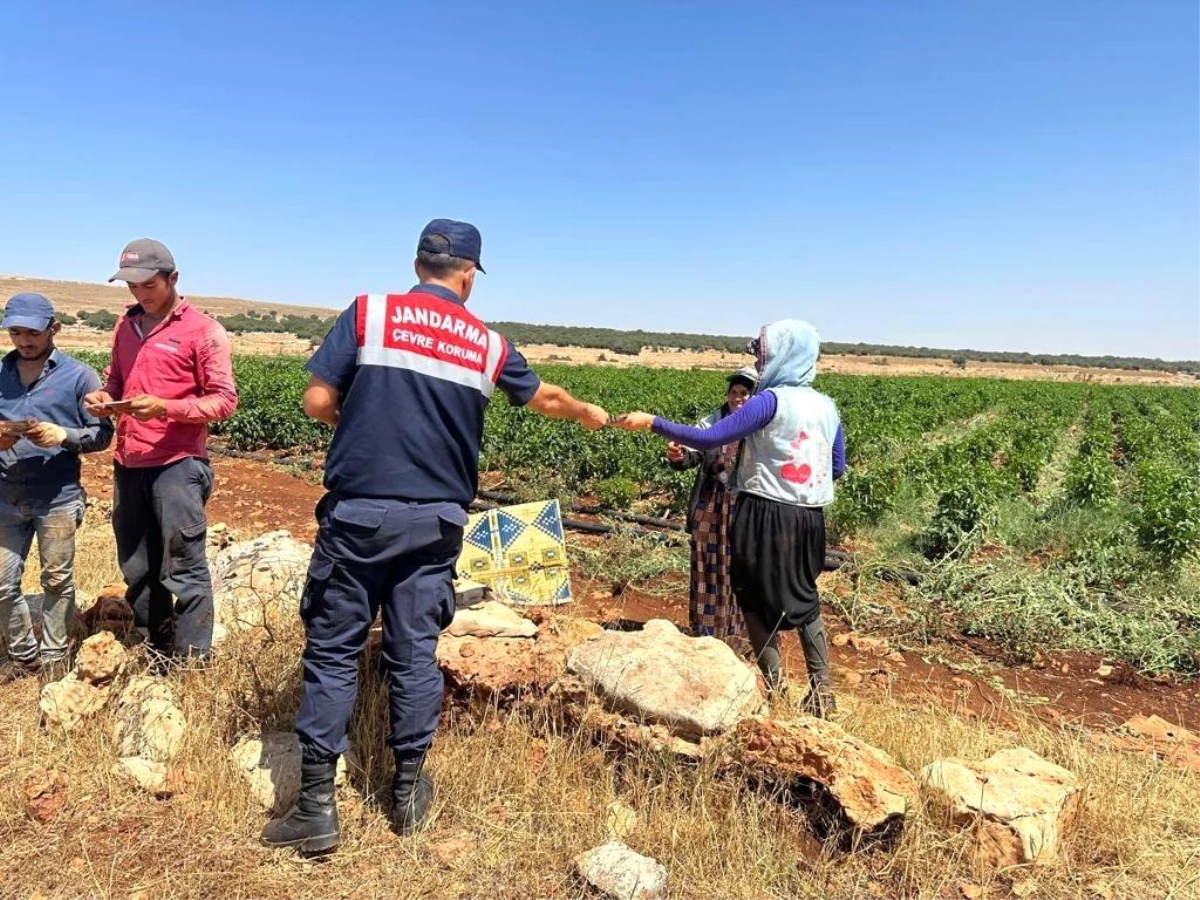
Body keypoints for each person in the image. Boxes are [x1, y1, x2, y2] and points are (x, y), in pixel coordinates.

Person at [261, 219, 610, 854]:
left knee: (335, 650)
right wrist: (589, 413)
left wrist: (357, 420)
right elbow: (547, 398)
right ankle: (409, 793)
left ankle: (315, 807)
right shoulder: (487, 344)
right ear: (469, 274)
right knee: (414, 651)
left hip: (361, 517)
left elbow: (316, 400)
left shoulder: (369, 314)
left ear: (419, 262)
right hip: (437, 523)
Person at [616, 319, 845, 717]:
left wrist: (653, 422)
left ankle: (776, 696)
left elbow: (708, 439)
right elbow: (837, 466)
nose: (759, 360)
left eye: (763, 352)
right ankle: (822, 693)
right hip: (811, 517)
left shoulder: (770, 401)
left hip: (765, 512)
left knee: (753, 598)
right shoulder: (827, 406)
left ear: (783, 355)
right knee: (804, 596)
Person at [83, 239, 238, 669]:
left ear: (173, 278)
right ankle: (158, 650)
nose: (140, 294)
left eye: (149, 284)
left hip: (178, 465)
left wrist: (166, 407)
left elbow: (224, 401)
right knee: (137, 567)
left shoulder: (202, 331)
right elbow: (115, 382)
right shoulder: (125, 326)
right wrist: (102, 397)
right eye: (132, 286)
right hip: (129, 460)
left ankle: (192, 664)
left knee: (183, 567)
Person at [0, 293, 113, 681]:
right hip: (5, 498)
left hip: (57, 497)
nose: (24, 340)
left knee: (57, 580)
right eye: (15, 332)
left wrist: (63, 435)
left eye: (32, 332)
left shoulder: (80, 376)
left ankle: (53, 659)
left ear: (54, 329)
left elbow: (102, 435)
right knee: (1, 584)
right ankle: (22, 657)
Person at [667, 366, 756, 650]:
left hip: (743, 510)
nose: (738, 398)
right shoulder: (713, 422)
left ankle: (739, 639)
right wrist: (678, 455)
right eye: (734, 393)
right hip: (710, 509)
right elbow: (691, 452)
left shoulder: (760, 427)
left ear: (755, 397)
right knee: (707, 567)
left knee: (740, 570)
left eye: (744, 393)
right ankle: (706, 635)